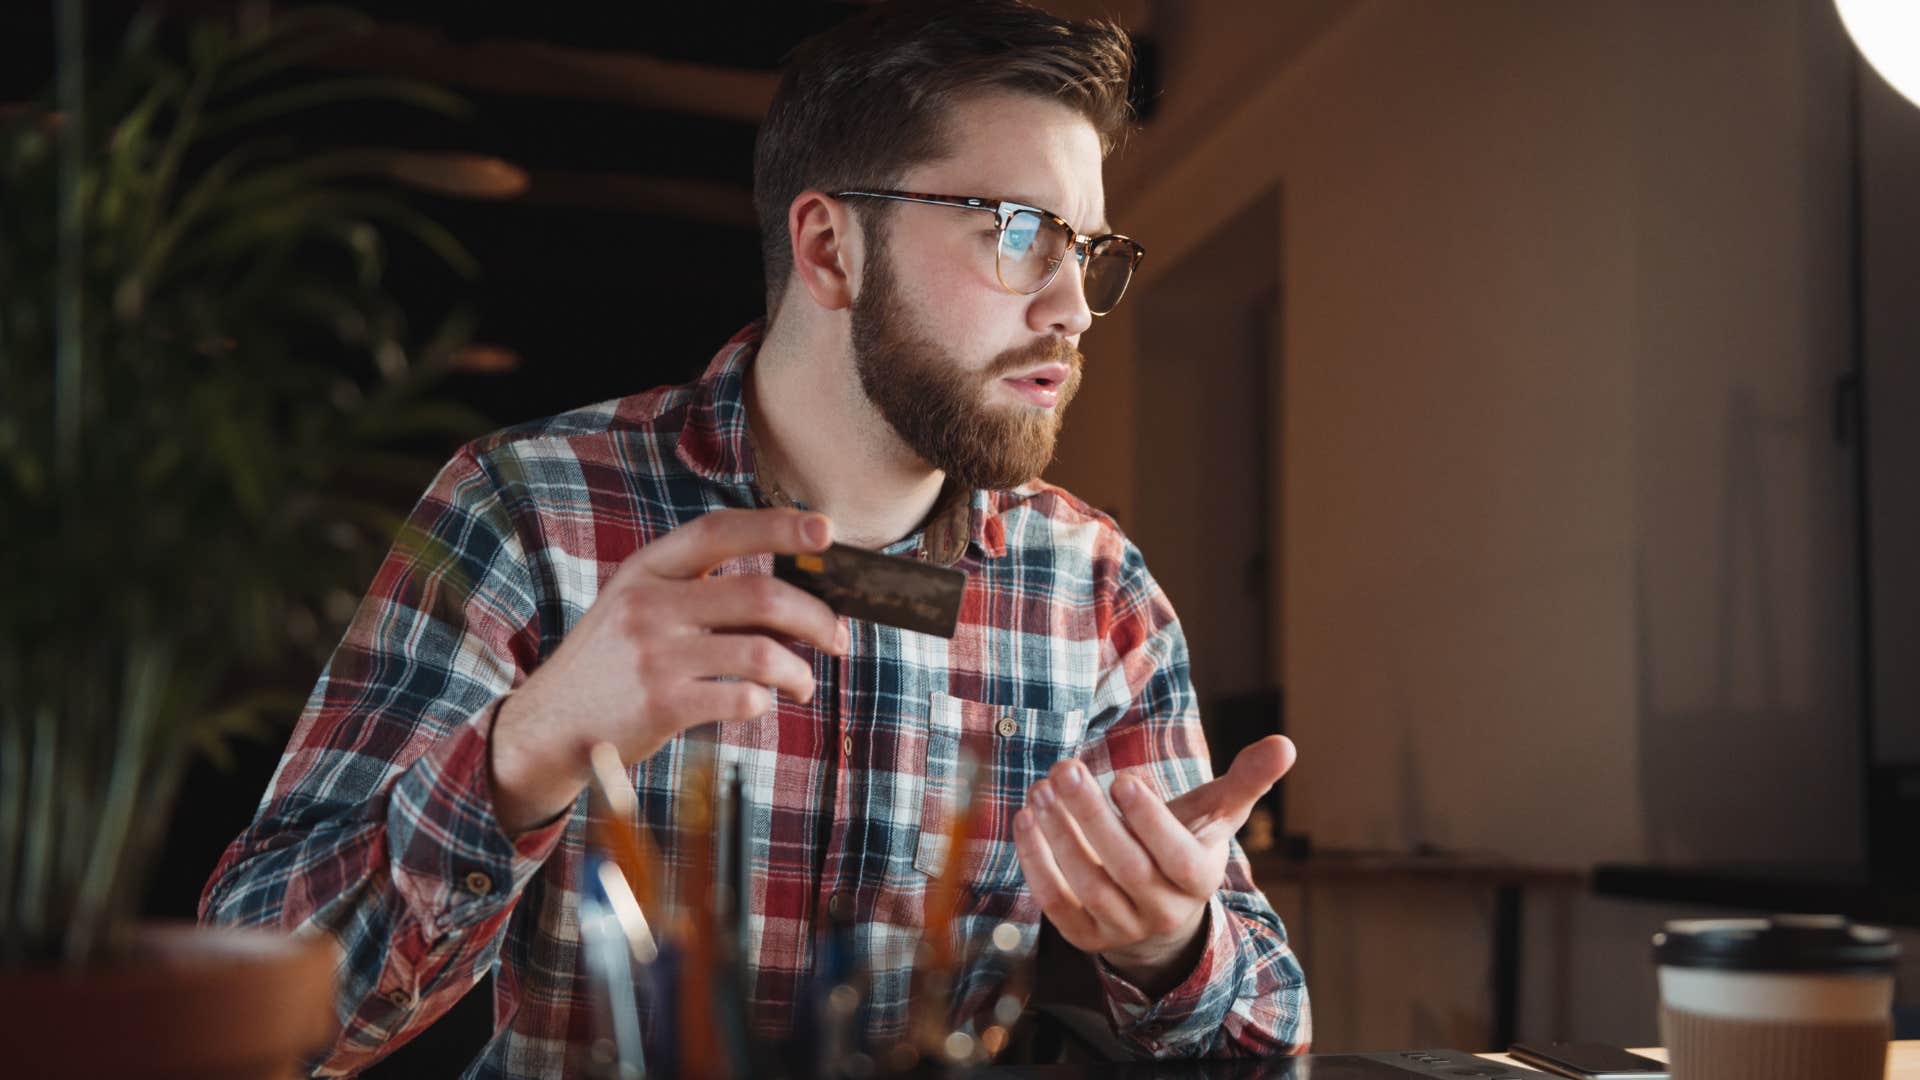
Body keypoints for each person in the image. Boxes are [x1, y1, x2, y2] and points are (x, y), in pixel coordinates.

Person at [200, 1, 1311, 1074]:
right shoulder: (527, 509)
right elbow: (248, 1019)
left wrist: (1171, 950)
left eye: (1087, 248)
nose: (1073, 305)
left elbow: (1268, 1038)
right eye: (1017, 231)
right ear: (829, 247)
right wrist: (521, 753)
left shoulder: (1095, 591)